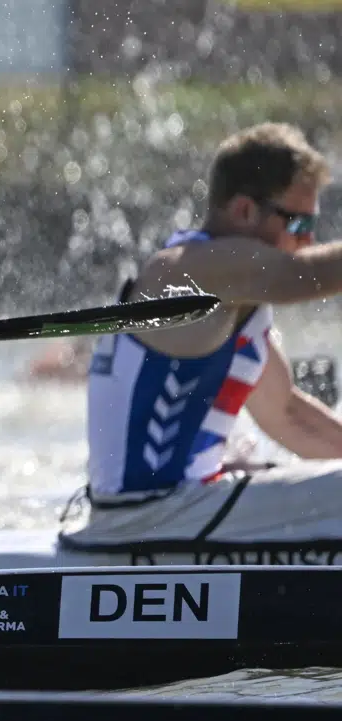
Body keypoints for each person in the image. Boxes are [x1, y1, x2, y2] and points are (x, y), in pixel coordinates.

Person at [64, 122, 342, 547]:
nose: (307, 239)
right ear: (245, 210)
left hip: (177, 512)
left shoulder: (238, 301)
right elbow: (303, 275)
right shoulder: (186, 270)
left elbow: (289, 416)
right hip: (149, 518)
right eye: (298, 221)